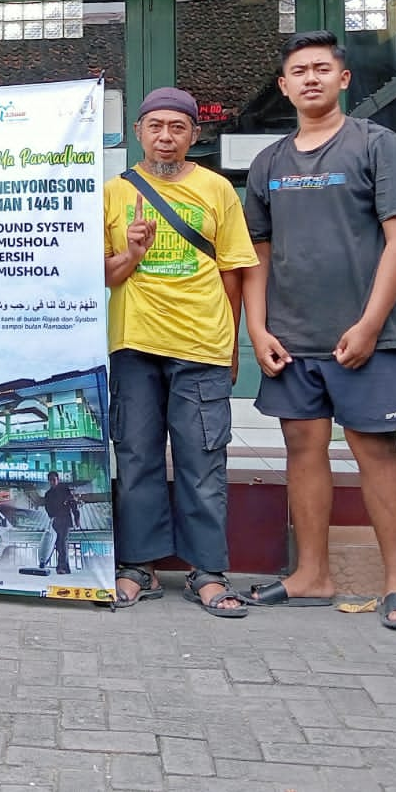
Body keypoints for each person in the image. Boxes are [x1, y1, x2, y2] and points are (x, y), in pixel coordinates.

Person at [242, 31, 396, 631]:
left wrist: (371, 324)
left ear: (344, 80)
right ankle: (311, 575)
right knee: (302, 450)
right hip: (292, 341)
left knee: (376, 451)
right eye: (299, 71)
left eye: (323, 68)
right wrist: (257, 328)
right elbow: (258, 255)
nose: (311, 78)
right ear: (284, 86)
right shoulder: (269, 163)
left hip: (364, 339)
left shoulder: (377, 145)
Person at [103, 87, 257, 618]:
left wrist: (233, 345)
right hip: (134, 345)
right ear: (139, 132)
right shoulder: (114, 194)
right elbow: (101, 275)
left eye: (177, 127)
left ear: (194, 134)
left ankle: (207, 572)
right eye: (155, 126)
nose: (165, 137)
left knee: (202, 460)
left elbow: (235, 271)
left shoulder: (217, 190)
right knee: (136, 456)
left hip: (201, 345)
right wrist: (133, 252)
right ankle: (137, 568)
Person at [37, 471, 80, 576]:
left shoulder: (64, 490)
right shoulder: (48, 494)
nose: (52, 482)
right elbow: (47, 508)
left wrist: (77, 517)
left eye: (54, 479)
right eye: (50, 480)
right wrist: (52, 515)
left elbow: (73, 503)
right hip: (56, 520)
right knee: (58, 544)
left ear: (58, 479)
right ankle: (65, 567)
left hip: (65, 520)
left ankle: (61, 567)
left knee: (62, 542)